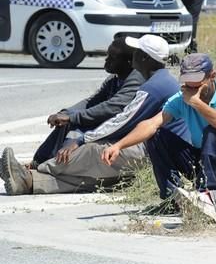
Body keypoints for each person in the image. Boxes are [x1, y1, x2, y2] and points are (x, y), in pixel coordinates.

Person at [1, 35, 183, 195]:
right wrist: (69, 115)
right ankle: (30, 181)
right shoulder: (156, 80)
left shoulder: (152, 87)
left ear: (143, 58)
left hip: (152, 153)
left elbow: (122, 119)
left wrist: (82, 141)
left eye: (136, 52)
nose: (133, 54)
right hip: (154, 151)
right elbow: (95, 102)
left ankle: (36, 169)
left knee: (94, 152)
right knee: (93, 179)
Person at [101, 53, 216, 207]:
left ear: (212, 76)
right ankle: (172, 198)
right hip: (204, 161)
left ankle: (207, 194)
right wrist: (119, 145)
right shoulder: (182, 98)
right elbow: (151, 124)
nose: (192, 89)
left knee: (213, 131)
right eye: (188, 83)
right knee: (157, 135)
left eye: (197, 84)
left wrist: (196, 103)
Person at [28, 38, 143, 169]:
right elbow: (92, 101)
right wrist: (65, 113)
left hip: (121, 129)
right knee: (65, 121)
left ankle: (51, 167)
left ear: (129, 62)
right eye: (107, 55)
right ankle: (38, 162)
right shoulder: (115, 78)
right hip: (109, 123)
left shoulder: (135, 79)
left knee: (74, 127)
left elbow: (111, 108)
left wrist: (72, 117)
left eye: (112, 57)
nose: (106, 60)